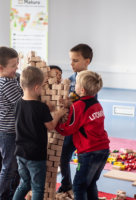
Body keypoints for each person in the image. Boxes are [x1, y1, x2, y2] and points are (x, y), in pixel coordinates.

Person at [12, 66, 68, 200]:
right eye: (42, 86)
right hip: (36, 155)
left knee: (24, 184)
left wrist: (44, 110)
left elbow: (30, 114)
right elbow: (51, 126)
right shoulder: (41, 107)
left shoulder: (18, 103)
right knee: (37, 187)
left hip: (20, 153)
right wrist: (58, 115)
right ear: (37, 87)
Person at [56, 70, 110, 200]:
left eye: (77, 84)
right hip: (103, 150)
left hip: (89, 152)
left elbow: (68, 129)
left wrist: (56, 122)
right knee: (91, 183)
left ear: (83, 90)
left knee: (79, 186)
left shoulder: (78, 106)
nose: (75, 87)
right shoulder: (97, 104)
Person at [57, 43, 98, 193]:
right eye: (70, 60)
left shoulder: (91, 80)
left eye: (75, 60)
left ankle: (83, 187)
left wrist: (71, 104)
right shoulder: (69, 80)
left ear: (87, 61)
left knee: (83, 159)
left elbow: (89, 104)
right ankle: (66, 183)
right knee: (63, 155)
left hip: (83, 130)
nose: (71, 63)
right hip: (70, 126)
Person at [0, 46, 23, 200]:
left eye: (17, 63)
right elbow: (21, 102)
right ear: (1, 68)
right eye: (13, 65)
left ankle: (13, 195)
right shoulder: (6, 82)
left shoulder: (9, 79)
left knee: (15, 166)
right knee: (10, 167)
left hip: (9, 131)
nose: (17, 67)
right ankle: (4, 197)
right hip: (6, 132)